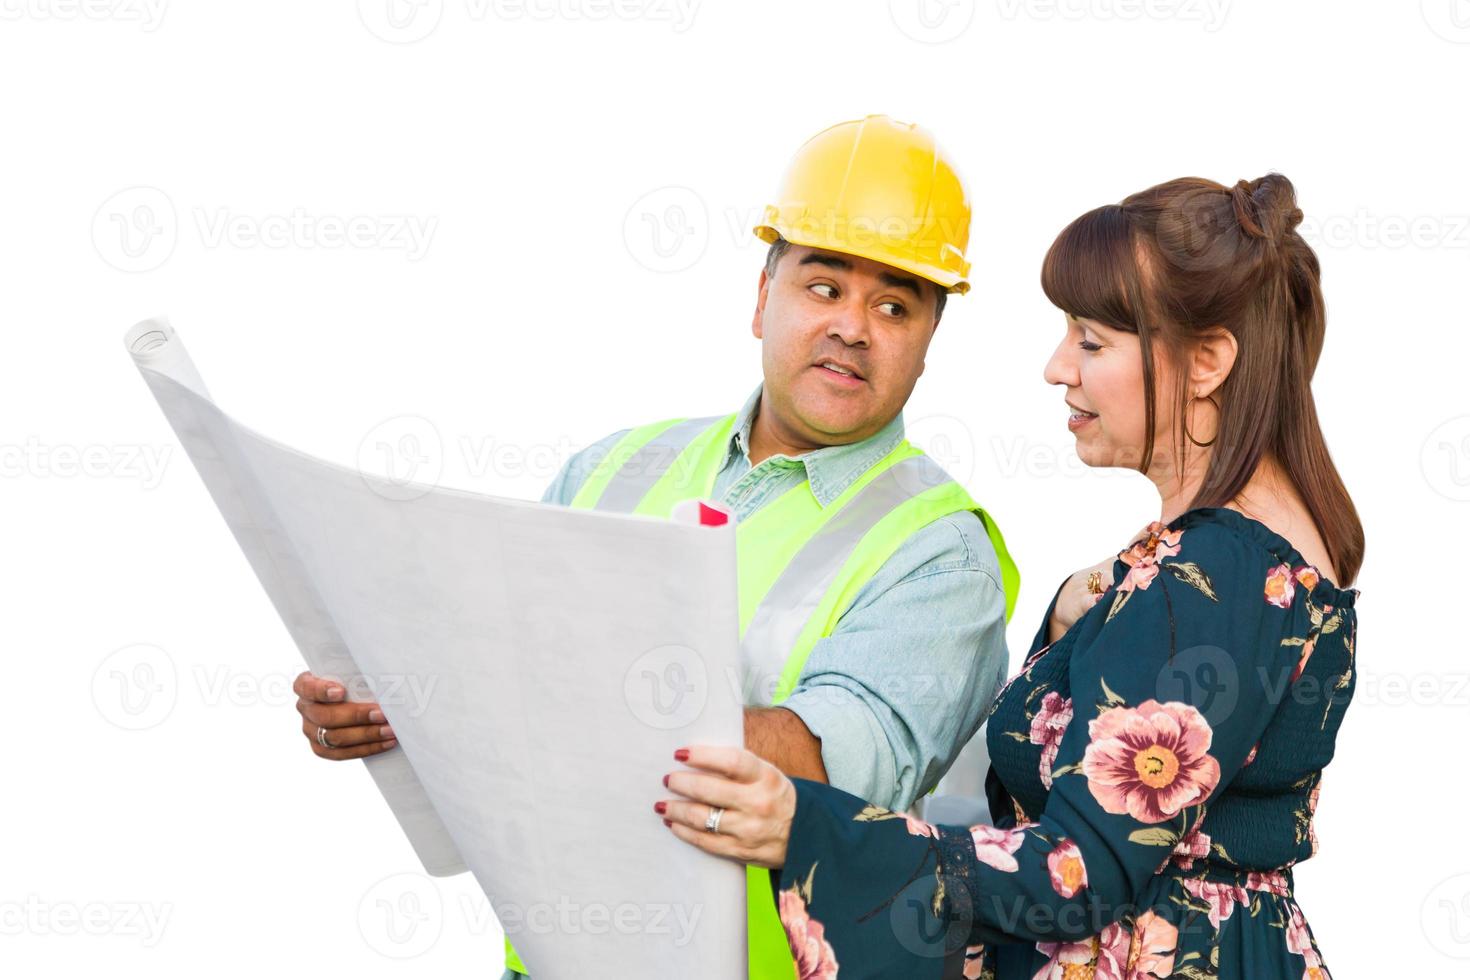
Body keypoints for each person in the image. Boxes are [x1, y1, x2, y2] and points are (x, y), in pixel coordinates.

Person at [291, 114, 1020, 979]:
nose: (854, 327)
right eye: (824, 286)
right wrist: (394, 705)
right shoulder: (611, 468)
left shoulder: (941, 551)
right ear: (761, 297)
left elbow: (829, 772)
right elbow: (491, 670)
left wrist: (514, 700)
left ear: (929, 343)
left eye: (895, 305)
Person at [659, 173, 1363, 979]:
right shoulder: (1226, 560)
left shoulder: (1220, 572)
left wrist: (804, 823)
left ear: (1206, 361)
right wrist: (1076, 613)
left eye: (1092, 341)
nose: (1058, 368)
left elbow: (1078, 875)